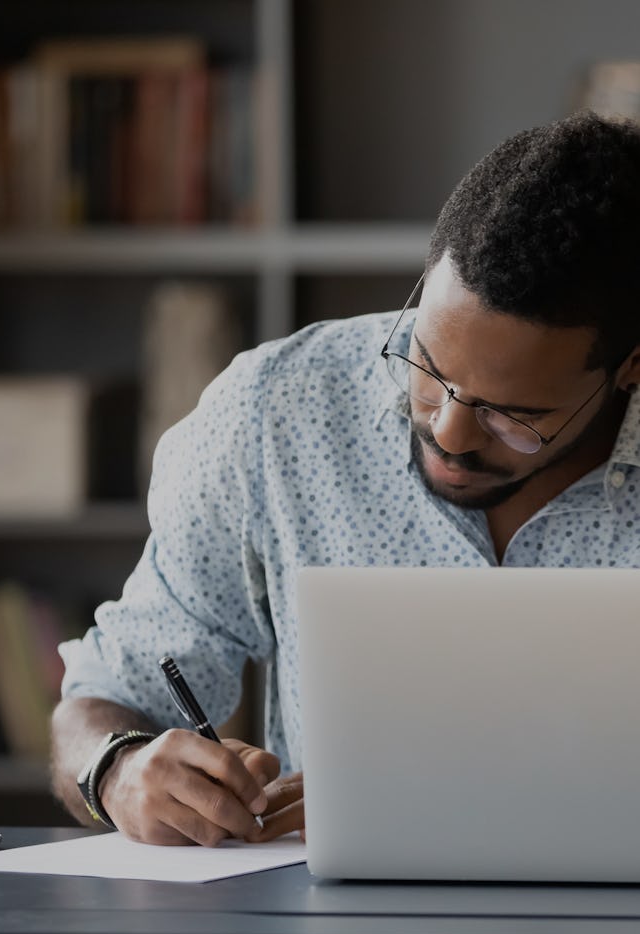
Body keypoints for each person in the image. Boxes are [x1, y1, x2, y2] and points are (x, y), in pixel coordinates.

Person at [51, 111, 640, 846]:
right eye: (427, 368)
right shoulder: (277, 409)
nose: (448, 433)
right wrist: (119, 770)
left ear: (631, 368)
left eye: (512, 415)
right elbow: (103, 696)